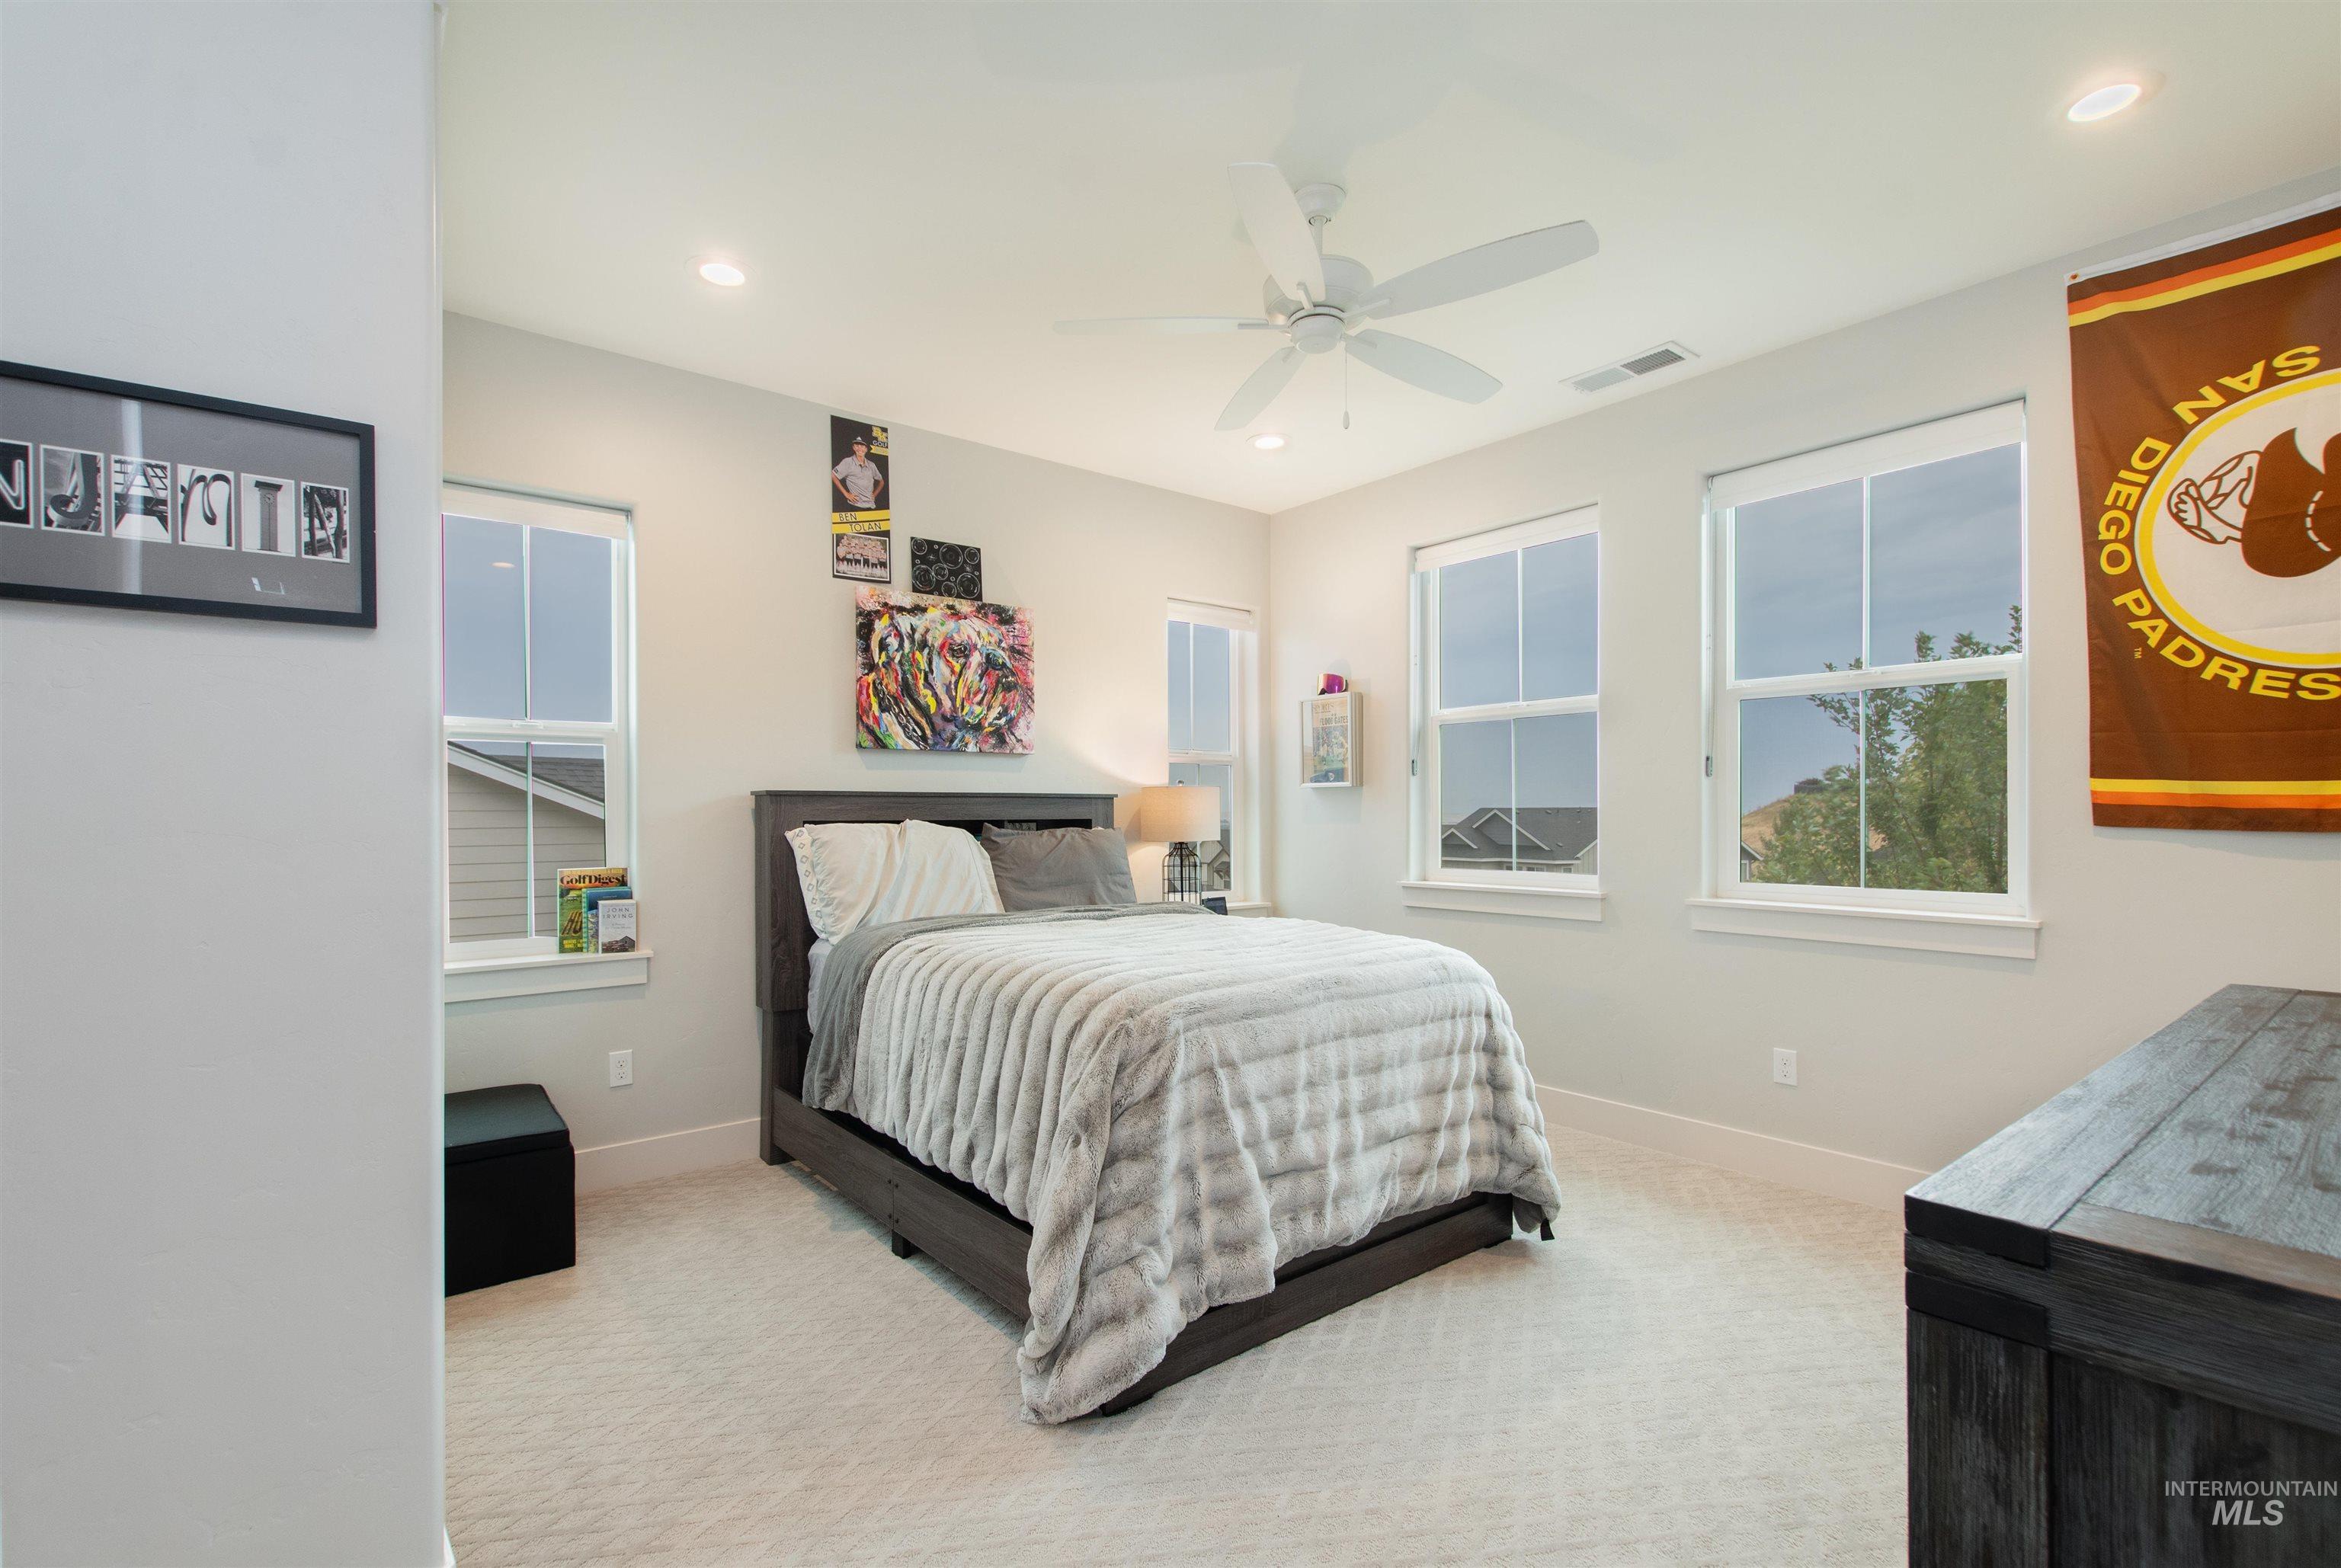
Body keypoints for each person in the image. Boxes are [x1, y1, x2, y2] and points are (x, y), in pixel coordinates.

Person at [831, 433, 885, 514]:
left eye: (862, 446)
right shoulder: (848, 462)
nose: (860, 448)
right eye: (857, 445)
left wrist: (874, 495)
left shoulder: (871, 465)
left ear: (866, 449)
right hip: (855, 506)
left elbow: (881, 482)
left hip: (871, 506)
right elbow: (833, 475)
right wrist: (846, 494)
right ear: (853, 447)